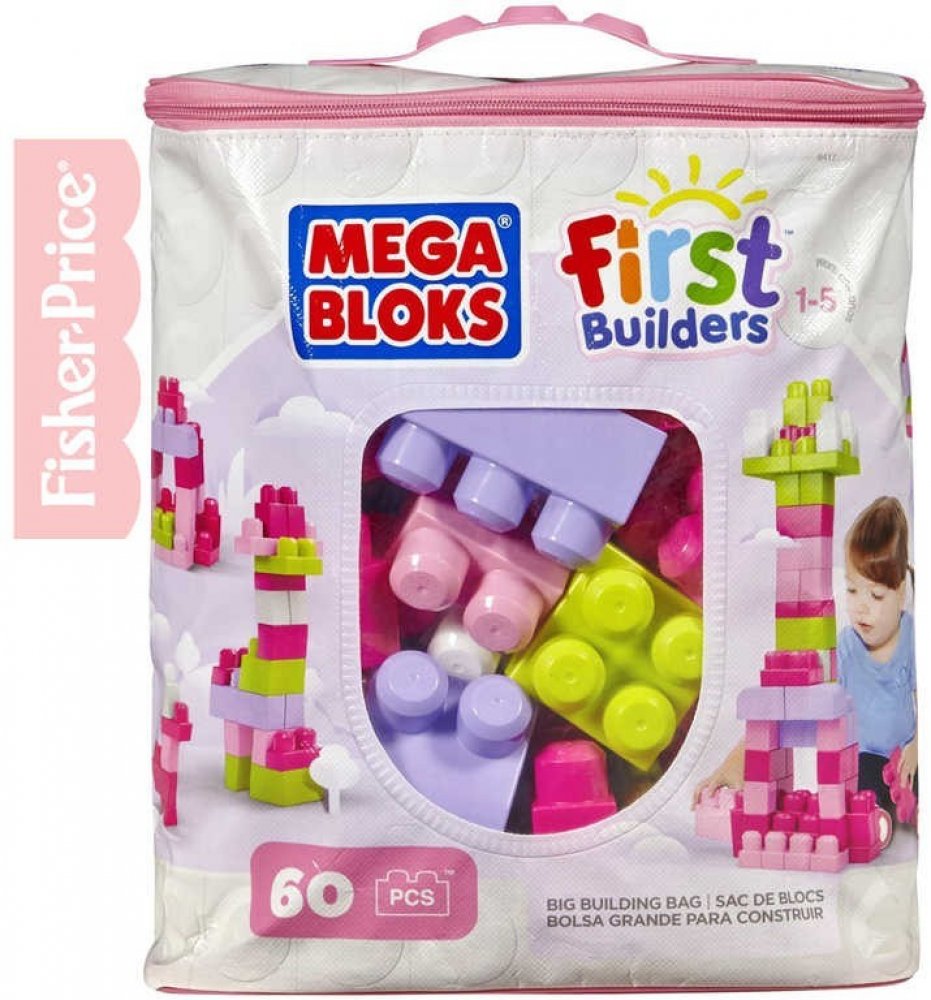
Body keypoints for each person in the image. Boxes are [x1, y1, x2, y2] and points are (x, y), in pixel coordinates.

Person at [693, 497, 917, 817]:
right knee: (864, 802)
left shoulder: (912, 639)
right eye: (853, 590)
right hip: (865, 761)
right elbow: (790, 705)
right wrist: (738, 762)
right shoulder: (845, 648)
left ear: (901, 592)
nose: (861, 607)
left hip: (908, 755)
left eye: (876, 595)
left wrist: (918, 747)